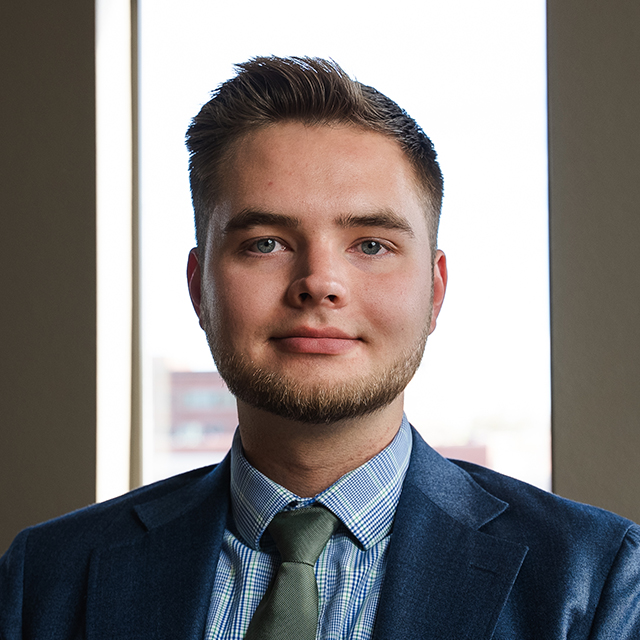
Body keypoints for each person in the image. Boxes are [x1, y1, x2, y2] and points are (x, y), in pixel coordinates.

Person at [1, 56, 639, 639]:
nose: (319, 284)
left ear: (435, 290)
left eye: (370, 245)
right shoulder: (46, 578)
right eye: (266, 243)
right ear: (199, 287)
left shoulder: (598, 579)